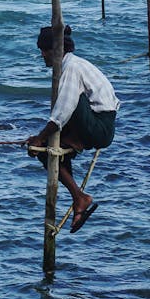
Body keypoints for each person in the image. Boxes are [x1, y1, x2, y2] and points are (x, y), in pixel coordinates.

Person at [27, 24, 120, 233]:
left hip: (99, 127)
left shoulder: (71, 68)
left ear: (53, 50)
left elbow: (63, 110)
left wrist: (41, 136)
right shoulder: (69, 66)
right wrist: (42, 140)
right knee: (48, 153)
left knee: (68, 102)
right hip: (93, 124)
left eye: (43, 51)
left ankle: (75, 141)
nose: (42, 56)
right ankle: (79, 197)